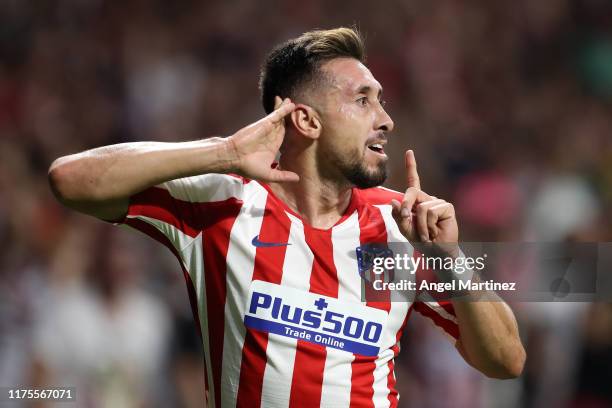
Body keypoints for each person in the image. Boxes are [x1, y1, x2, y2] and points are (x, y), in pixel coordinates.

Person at [48, 27, 525, 408]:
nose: (385, 118)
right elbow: (70, 180)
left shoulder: (400, 227)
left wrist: (451, 258)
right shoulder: (225, 204)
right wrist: (224, 152)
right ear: (306, 120)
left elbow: (507, 361)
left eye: (380, 100)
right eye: (363, 100)